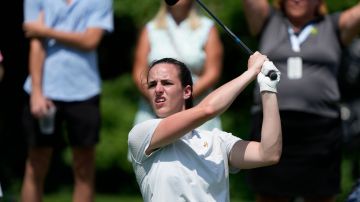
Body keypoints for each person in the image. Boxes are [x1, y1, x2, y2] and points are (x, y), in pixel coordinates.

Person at [241, 0, 360, 201]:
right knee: (270, 195)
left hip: (320, 129)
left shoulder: (332, 25)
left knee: (320, 195)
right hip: (272, 124)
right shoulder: (268, 21)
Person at [128, 54, 282, 201]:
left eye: (166, 83)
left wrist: (268, 88)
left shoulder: (218, 140)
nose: (158, 89)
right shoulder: (142, 134)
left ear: (187, 91)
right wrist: (251, 72)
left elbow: (268, 154)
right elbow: (208, 109)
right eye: (152, 84)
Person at [21, 0, 113, 202]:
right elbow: (35, 43)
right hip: (44, 90)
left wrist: (46, 31)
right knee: (35, 164)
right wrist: (36, 92)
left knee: (84, 168)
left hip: (84, 90)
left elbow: (90, 41)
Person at [132, 0, 223, 130]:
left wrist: (182, 98)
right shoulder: (150, 28)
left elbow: (213, 72)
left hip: (196, 110)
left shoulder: (207, 27)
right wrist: (158, 99)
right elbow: (138, 73)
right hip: (153, 113)